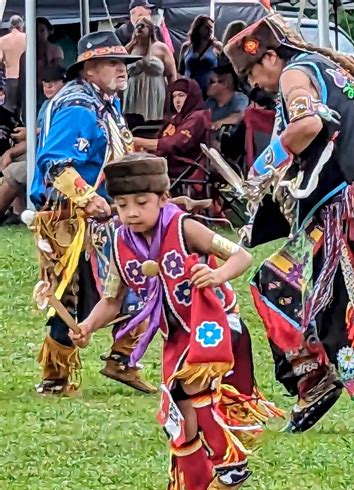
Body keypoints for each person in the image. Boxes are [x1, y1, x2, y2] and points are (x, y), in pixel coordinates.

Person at [223, 13, 354, 432]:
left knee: (288, 293)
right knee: (337, 316)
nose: (254, 86)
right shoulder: (336, 68)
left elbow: (308, 124)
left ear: (267, 57)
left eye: (250, 74)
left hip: (349, 211)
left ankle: (316, 380)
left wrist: (266, 164)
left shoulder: (294, 73)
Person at [70, 153, 281, 490]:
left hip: (214, 326)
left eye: (141, 203)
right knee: (181, 419)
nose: (132, 212)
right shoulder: (122, 243)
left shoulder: (184, 228)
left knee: (189, 389)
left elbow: (240, 256)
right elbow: (112, 299)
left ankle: (231, 462)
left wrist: (216, 276)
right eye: (122, 205)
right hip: (176, 337)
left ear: (163, 199)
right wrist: (87, 326)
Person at [28, 31, 157, 396]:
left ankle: (122, 360)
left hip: (105, 214)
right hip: (68, 215)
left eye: (123, 63)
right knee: (71, 294)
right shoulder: (77, 107)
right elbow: (54, 163)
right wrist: (85, 197)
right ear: (89, 69)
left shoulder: (103, 104)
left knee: (136, 279)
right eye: (113, 63)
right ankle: (55, 376)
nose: (122, 70)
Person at [0, 64, 67, 226]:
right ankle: (18, 211)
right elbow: (35, 139)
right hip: (40, 151)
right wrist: (11, 152)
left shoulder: (68, 104)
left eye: (53, 82)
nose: (48, 87)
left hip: (58, 160)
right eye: (45, 83)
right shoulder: (46, 105)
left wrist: (31, 132)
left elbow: (53, 134)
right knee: (8, 158)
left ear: (65, 83)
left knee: (15, 171)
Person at [134, 78, 211, 179]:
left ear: (191, 96)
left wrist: (138, 141)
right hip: (167, 163)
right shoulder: (178, 117)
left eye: (181, 95)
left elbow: (175, 143)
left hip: (184, 167)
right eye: (174, 96)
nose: (177, 101)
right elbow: (162, 137)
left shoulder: (199, 117)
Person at [124, 16, 176, 123]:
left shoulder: (161, 48)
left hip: (155, 91)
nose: (139, 28)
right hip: (134, 92)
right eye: (137, 26)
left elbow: (172, 76)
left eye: (142, 26)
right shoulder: (130, 48)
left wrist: (171, 103)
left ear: (150, 29)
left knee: (154, 125)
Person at [17, 18, 64, 119]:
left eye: (42, 30)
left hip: (48, 90)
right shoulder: (26, 54)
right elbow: (22, 78)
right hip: (30, 91)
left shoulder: (54, 50)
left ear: (49, 31)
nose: (38, 34)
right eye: (34, 30)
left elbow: (57, 72)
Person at [178, 16, 221, 99]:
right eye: (206, 27)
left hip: (210, 92)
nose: (210, 30)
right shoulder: (187, 46)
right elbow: (180, 71)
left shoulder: (216, 47)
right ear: (198, 28)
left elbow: (223, 69)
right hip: (190, 90)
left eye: (211, 28)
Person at [206, 57, 249, 130]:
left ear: (224, 84)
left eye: (211, 82)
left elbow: (239, 116)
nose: (207, 84)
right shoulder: (210, 102)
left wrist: (217, 124)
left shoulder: (239, 98)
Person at [0, 15, 26, 113]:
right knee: (27, 109)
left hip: (11, 78)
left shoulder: (2, 40)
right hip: (27, 78)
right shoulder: (27, 38)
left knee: (9, 110)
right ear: (21, 26)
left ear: (10, 26)